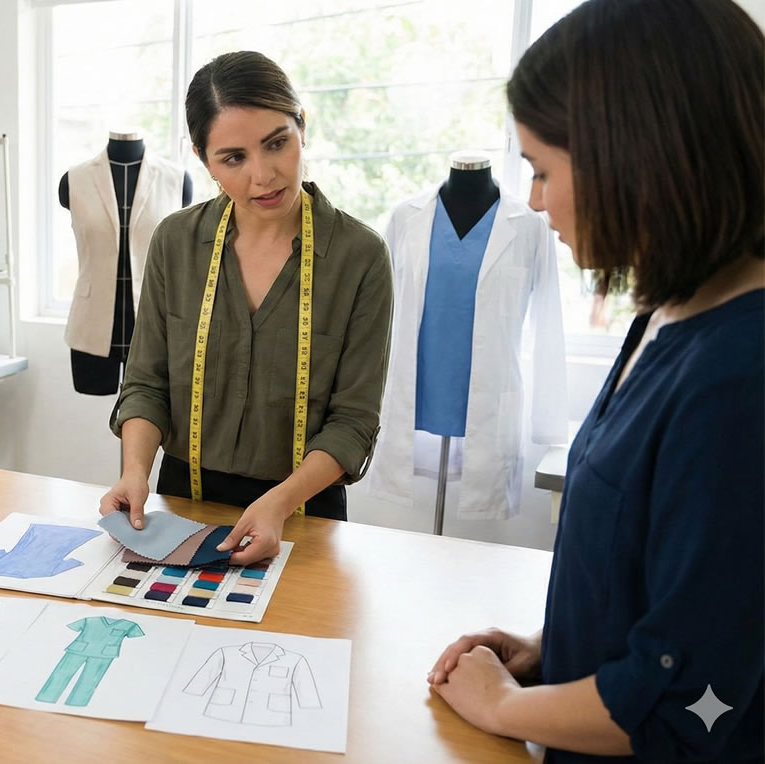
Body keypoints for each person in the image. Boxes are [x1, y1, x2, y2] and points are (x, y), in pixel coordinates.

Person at [426, 1, 764, 761]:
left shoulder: (739, 381)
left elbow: (684, 698)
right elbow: (662, 592)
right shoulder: (661, 313)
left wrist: (508, 706)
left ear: (637, 154)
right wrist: (546, 649)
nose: (537, 200)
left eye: (544, 170)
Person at [98, 50, 394, 567]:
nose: (263, 175)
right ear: (202, 158)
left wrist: (279, 503)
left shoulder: (359, 257)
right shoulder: (176, 242)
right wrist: (134, 473)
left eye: (277, 143)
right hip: (180, 504)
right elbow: (146, 384)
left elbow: (353, 421)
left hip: (302, 512)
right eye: (232, 158)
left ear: (303, 126)